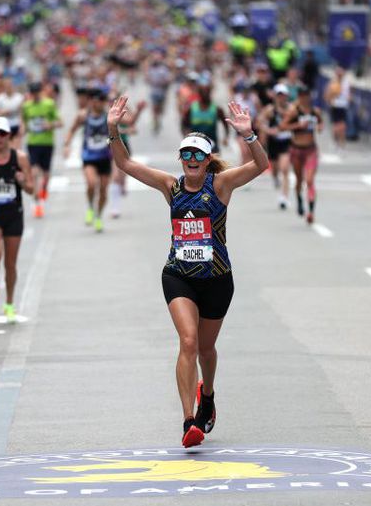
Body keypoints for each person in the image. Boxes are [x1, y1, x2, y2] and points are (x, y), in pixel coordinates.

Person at [106, 95, 269, 448]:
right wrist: (112, 129)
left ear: (208, 160)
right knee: (189, 342)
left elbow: (260, 167)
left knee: (207, 349)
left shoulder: (221, 185)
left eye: (198, 155)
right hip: (178, 275)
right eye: (187, 154)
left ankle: (207, 394)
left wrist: (249, 135)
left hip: (217, 279)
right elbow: (126, 165)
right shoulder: (171, 186)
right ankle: (188, 421)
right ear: (181, 159)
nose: (192, 160)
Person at [0, 117, 34, 323]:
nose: (0, 138)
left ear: (9, 136)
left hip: (14, 214)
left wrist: (22, 181)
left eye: (3, 134)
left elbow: (31, 189)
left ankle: (10, 303)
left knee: (10, 264)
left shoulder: (19, 158)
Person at [63, 89, 113, 232]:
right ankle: (91, 206)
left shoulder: (108, 116)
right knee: (91, 184)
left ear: (103, 102)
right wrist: (67, 145)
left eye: (98, 101)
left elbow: (120, 130)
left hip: (105, 157)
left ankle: (98, 215)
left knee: (103, 190)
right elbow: (72, 130)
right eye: (93, 100)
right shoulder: (83, 115)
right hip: (89, 156)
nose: (95, 103)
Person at [280, 87, 324, 224]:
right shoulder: (294, 111)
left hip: (311, 150)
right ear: (299, 96)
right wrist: (298, 125)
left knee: (310, 180)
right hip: (296, 149)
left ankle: (311, 212)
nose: (305, 98)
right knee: (299, 179)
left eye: (307, 95)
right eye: (302, 95)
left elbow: (321, 123)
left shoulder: (315, 111)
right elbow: (282, 126)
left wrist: (319, 127)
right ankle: (299, 198)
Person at [21, 82, 62, 218]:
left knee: (45, 175)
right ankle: (37, 202)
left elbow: (60, 122)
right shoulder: (26, 106)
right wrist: (21, 131)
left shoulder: (49, 104)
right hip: (33, 143)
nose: (35, 95)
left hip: (47, 143)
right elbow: (24, 122)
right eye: (33, 93)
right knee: (33, 172)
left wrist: (50, 124)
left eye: (37, 92)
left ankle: (43, 190)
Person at [258, 84, 295, 209]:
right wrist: (269, 130)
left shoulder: (292, 109)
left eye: (283, 95)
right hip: (274, 142)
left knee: (285, 168)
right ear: (275, 96)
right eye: (279, 95)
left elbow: (298, 124)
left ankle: (284, 197)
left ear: (287, 96)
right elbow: (259, 122)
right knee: (274, 169)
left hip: (287, 142)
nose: (281, 98)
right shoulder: (270, 109)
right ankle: (275, 179)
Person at [324, 67, 350, 150]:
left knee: (342, 126)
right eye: (338, 73)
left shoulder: (346, 82)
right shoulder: (333, 82)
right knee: (336, 126)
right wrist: (329, 99)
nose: (340, 74)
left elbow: (349, 94)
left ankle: (342, 143)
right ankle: (336, 142)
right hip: (335, 105)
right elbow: (327, 94)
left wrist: (349, 99)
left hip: (343, 106)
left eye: (341, 73)